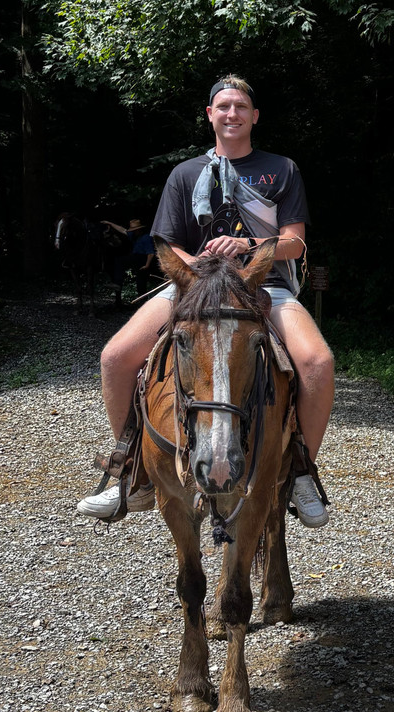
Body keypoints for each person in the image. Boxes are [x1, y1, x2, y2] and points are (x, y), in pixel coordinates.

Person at [77, 75, 334, 528]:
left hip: (261, 285)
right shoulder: (185, 173)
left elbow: (294, 242)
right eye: (223, 106)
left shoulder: (282, 168)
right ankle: (132, 474)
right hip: (194, 286)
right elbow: (166, 242)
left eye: (240, 106)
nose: (231, 113)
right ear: (210, 115)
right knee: (115, 356)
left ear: (254, 116)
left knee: (317, 363)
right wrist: (193, 263)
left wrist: (250, 245)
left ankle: (300, 472)